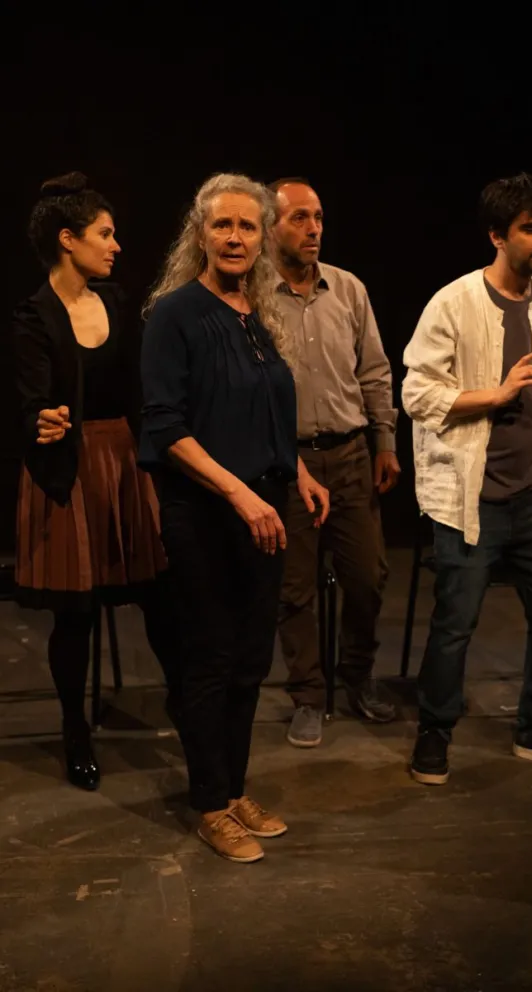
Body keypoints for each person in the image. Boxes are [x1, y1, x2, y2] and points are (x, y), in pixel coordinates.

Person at [140, 173, 329, 864]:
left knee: (251, 661)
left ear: (261, 237)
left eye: (247, 226)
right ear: (200, 233)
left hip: (264, 513)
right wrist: (240, 495)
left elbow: (265, 409)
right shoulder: (175, 315)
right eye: (222, 224)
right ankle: (210, 806)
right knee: (211, 661)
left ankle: (234, 787)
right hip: (206, 515)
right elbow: (166, 428)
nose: (235, 237)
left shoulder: (257, 313)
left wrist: (296, 471)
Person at [402, 173, 532, 785]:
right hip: (472, 500)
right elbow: (416, 394)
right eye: (531, 228)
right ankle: (435, 732)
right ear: (496, 235)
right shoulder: (453, 303)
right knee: (454, 627)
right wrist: (497, 393)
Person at [12, 172, 181, 792]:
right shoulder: (34, 315)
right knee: (76, 614)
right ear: (68, 239)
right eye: (104, 234)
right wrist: (43, 421)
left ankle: (188, 704)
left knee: (160, 596)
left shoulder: (118, 303)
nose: (115, 246)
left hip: (123, 460)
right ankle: (74, 730)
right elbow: (30, 400)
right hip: (70, 468)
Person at [268, 178, 401, 748]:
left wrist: (385, 441)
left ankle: (357, 675)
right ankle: (307, 695)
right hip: (288, 462)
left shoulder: (347, 289)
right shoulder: (255, 297)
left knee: (368, 577)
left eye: (318, 217)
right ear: (271, 227)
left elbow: (374, 371)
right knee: (294, 587)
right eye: (299, 218)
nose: (313, 228)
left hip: (349, 455)